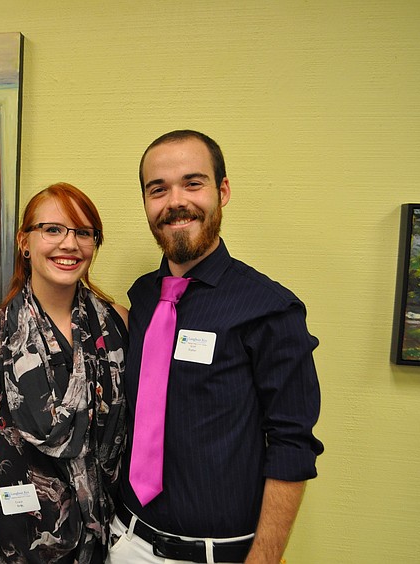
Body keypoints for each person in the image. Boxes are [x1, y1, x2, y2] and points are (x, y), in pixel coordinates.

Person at [108, 130, 324, 564]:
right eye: (158, 189)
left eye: (193, 183)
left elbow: (292, 444)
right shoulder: (144, 297)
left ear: (222, 191)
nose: (175, 202)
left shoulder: (270, 309)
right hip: (123, 539)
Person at [0, 183, 129, 564]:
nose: (69, 244)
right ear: (24, 242)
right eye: (53, 229)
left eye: (83, 233)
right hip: (20, 540)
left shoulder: (118, 324)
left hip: (108, 537)